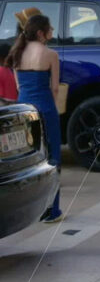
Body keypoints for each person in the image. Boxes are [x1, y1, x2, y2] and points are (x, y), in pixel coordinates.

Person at [6, 12, 63, 222]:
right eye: (50, 29)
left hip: (24, 108)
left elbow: (20, 86)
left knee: (30, 158)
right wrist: (54, 109)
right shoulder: (51, 55)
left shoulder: (17, 53)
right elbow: (55, 88)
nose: (52, 32)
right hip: (45, 107)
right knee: (52, 156)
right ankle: (52, 210)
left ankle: (32, 210)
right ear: (41, 33)